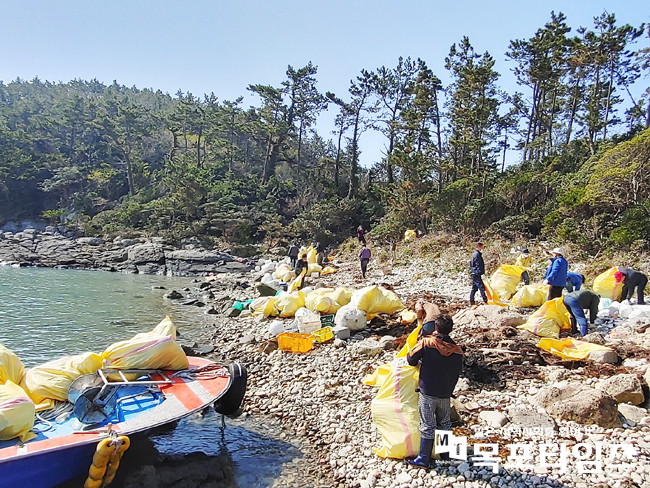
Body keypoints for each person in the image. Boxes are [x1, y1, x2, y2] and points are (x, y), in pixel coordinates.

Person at [406, 314, 463, 468]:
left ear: (436, 328)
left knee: (427, 425)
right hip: (445, 393)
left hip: (428, 390)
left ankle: (423, 459)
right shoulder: (457, 351)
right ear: (450, 330)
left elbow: (411, 359)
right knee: (444, 423)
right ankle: (445, 456)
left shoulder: (427, 342)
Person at [469, 243, 488, 307]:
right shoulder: (477, 255)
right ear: (479, 247)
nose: (483, 248)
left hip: (474, 273)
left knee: (474, 288)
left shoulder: (474, 254)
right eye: (482, 247)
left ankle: (472, 301)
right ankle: (485, 301)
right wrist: (481, 273)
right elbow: (479, 265)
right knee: (481, 287)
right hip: (477, 273)